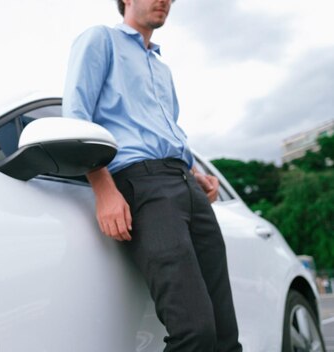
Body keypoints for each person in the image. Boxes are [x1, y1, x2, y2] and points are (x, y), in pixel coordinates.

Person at [62, 0, 242, 351]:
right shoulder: (101, 40)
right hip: (142, 186)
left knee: (225, 338)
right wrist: (104, 189)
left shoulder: (163, 69)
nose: (165, 0)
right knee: (194, 333)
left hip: (187, 186)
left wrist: (195, 172)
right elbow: (76, 116)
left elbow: (166, 131)